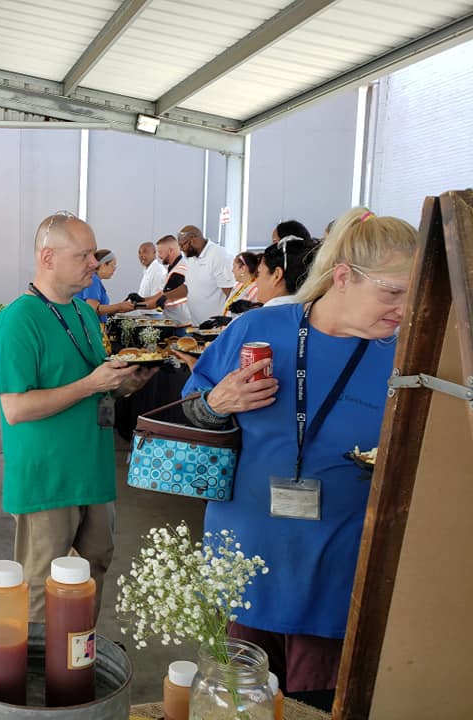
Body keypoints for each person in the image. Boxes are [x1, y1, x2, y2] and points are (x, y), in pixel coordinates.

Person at [180, 206, 416, 709]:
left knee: (318, 706)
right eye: (393, 292)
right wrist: (217, 404)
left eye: (413, 294)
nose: (404, 308)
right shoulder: (259, 329)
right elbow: (189, 415)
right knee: (237, 704)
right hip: (244, 561)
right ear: (344, 277)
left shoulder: (405, 355)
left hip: (338, 574)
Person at [0, 211, 153, 623]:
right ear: (48, 258)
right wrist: (91, 385)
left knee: (95, 566)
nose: (94, 263)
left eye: (94, 254)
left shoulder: (83, 313)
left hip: (92, 470)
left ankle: (80, 651)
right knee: (42, 583)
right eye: (84, 255)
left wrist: (128, 383)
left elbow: (97, 385)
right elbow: (15, 408)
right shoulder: (18, 321)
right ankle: (41, 662)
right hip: (48, 477)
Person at [176, 225, 235, 325]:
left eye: (183, 245)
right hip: (197, 325)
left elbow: (231, 293)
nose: (181, 249)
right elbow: (188, 287)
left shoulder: (218, 255)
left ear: (194, 239)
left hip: (215, 327)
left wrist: (229, 320)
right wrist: (164, 297)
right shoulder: (190, 257)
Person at [255, 236, 320, 307]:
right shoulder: (316, 310)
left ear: (277, 276)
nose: (256, 281)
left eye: (258, 273)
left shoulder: (261, 314)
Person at [143, 235, 192, 326]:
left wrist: (133, 306)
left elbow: (161, 299)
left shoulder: (179, 271)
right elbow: (162, 294)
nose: (159, 256)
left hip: (182, 324)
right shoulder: (173, 268)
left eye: (160, 252)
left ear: (170, 250)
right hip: (176, 322)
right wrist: (142, 299)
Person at [76, 249, 133, 323]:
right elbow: (92, 309)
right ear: (103, 265)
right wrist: (119, 306)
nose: (114, 269)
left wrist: (121, 308)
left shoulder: (93, 279)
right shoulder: (93, 280)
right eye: (113, 266)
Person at [223, 251, 260, 315]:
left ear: (243, 269)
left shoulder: (257, 289)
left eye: (234, 267)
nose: (232, 270)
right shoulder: (239, 285)